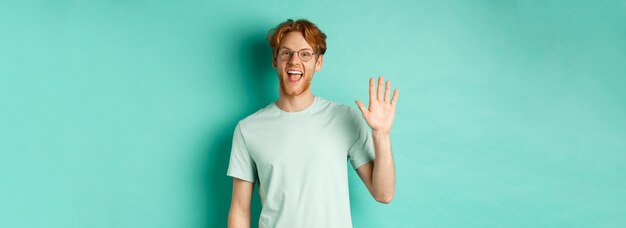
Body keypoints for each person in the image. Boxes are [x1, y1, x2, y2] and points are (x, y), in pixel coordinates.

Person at [227, 18, 398, 228]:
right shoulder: (248, 129)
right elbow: (240, 210)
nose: (294, 61)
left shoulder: (345, 118)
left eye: (305, 54)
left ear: (318, 63)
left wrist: (382, 133)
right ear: (275, 60)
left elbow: (384, 193)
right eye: (286, 53)